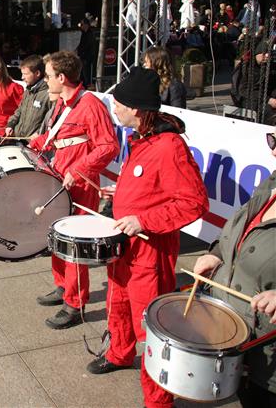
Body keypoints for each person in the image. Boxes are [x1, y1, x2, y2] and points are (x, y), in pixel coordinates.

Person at [86, 67, 209, 408]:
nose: (113, 108)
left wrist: (143, 220)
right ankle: (120, 352)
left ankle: (158, 400)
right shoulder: (139, 138)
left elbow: (194, 202)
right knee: (118, 304)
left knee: (152, 330)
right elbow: (148, 186)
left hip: (150, 253)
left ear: (137, 109)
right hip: (126, 247)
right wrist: (120, 191)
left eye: (118, 103)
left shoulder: (170, 146)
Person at [29, 51, 119, 329]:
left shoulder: (89, 104)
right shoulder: (64, 103)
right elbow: (61, 137)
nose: (45, 80)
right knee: (56, 236)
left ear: (62, 77)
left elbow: (108, 146)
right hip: (59, 179)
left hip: (79, 185)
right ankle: (62, 286)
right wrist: (38, 141)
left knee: (73, 245)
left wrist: (79, 170)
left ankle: (75, 302)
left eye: (48, 75)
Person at [192, 130, 275, 407]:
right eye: (273, 140)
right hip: (243, 332)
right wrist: (217, 254)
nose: (273, 151)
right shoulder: (271, 185)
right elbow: (240, 228)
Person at [5, 55, 51, 138]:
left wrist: (38, 135)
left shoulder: (48, 94)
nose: (22, 77)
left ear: (37, 73)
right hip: (19, 139)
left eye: (25, 74)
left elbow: (50, 122)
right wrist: (11, 124)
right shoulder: (28, 91)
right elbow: (19, 111)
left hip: (34, 144)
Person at [76, 18, 96, 87]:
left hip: (87, 57)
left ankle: (87, 85)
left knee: (86, 72)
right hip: (82, 57)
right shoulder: (83, 34)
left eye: (82, 24)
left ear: (86, 25)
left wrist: (81, 52)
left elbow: (87, 45)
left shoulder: (90, 34)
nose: (81, 26)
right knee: (82, 72)